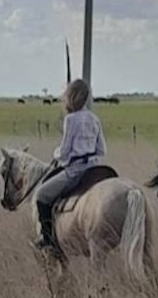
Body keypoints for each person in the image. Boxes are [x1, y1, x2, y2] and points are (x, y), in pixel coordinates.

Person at [34, 79, 107, 257]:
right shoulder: (94, 118)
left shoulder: (71, 120)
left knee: (42, 195)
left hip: (75, 171)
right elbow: (102, 149)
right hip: (95, 169)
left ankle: (48, 240)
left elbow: (65, 152)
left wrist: (56, 154)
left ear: (70, 97)